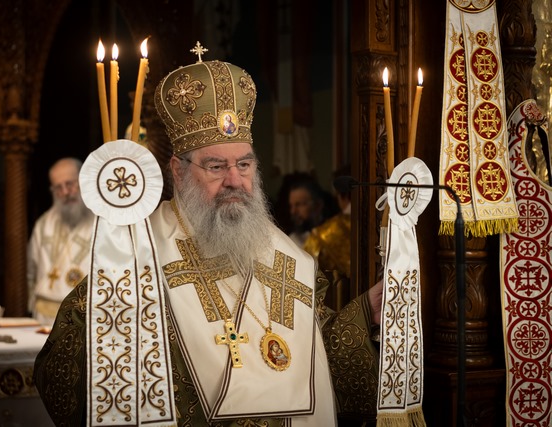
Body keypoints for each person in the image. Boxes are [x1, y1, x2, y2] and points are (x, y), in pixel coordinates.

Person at [34, 57, 382, 425]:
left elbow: (315, 355)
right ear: (178, 171)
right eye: (216, 166)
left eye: (244, 165)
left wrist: (363, 316)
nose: (234, 180)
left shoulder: (283, 254)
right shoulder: (137, 253)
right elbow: (60, 373)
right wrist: (115, 329)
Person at [27, 157, 95, 327]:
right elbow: (30, 272)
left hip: (84, 318)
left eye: (70, 184)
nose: (65, 192)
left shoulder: (101, 223)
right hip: (43, 318)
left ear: (83, 181)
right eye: (58, 188)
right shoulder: (44, 224)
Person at [303, 165, 352, 311]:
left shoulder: (320, 237)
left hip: (335, 309)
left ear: (340, 195)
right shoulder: (384, 226)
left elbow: (304, 280)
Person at [287, 173, 328, 248]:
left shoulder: (332, 234)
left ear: (318, 205)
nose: (293, 211)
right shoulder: (291, 241)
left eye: (299, 205)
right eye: (291, 206)